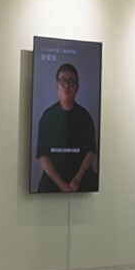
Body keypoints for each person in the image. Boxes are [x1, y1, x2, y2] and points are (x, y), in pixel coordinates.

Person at [35, 63, 98, 193]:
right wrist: (61, 185)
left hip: (81, 180)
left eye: (71, 81)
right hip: (52, 181)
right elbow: (43, 156)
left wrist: (77, 180)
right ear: (56, 85)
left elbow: (91, 152)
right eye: (62, 81)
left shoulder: (85, 116)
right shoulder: (47, 116)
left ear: (77, 87)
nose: (66, 86)